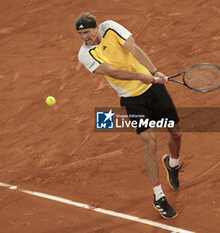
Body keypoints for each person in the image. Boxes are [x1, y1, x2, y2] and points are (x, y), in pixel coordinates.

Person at [75, 12, 184, 219]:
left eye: (87, 32)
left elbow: (133, 48)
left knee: (176, 131)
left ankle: (173, 163)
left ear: (96, 27)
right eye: (80, 34)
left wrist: (154, 71)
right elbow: (111, 72)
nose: (84, 38)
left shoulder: (110, 27)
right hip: (131, 99)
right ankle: (158, 196)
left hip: (153, 89)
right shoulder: (85, 54)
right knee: (149, 142)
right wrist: (139, 77)